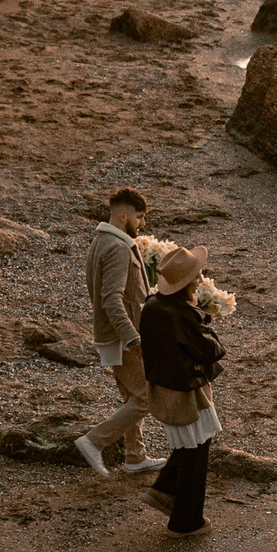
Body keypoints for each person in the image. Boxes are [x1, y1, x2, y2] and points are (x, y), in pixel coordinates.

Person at [137, 244, 223, 536]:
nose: (200, 279)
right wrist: (206, 322)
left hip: (162, 387)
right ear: (187, 283)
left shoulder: (152, 305)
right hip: (186, 390)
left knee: (188, 446)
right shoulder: (181, 314)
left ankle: (163, 491)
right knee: (196, 452)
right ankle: (185, 522)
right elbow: (211, 351)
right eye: (197, 276)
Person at [77, 187, 163, 478]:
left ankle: (135, 457)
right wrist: (132, 337)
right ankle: (93, 441)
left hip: (115, 335)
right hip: (123, 338)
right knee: (145, 398)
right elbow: (111, 298)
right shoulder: (116, 247)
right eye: (139, 218)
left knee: (131, 396)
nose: (141, 224)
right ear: (123, 215)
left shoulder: (103, 240)